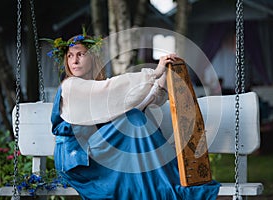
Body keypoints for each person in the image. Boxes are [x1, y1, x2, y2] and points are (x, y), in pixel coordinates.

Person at [49, 32, 220, 200]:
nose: (74, 60)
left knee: (134, 116)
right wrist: (153, 73)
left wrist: (161, 80)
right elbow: (111, 89)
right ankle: (170, 179)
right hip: (78, 160)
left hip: (100, 153)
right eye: (70, 56)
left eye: (80, 54)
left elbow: (134, 105)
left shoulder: (95, 85)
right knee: (134, 118)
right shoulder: (70, 85)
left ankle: (169, 180)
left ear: (92, 58)